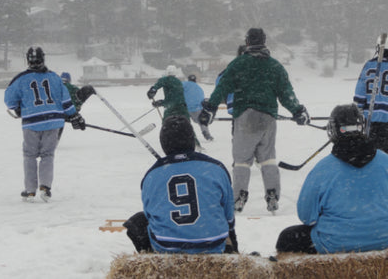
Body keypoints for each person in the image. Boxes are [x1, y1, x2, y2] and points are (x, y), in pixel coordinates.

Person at [199, 28, 310, 213]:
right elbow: (286, 94)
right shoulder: (275, 66)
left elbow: (223, 87)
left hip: (245, 115)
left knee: (242, 160)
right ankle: (272, 194)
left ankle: (239, 196)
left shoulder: (238, 64)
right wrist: (298, 111)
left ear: (247, 42)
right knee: (268, 158)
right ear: (264, 42)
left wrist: (210, 108)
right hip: (268, 117)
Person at [275, 104, 388, 254]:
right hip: (384, 239)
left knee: (286, 237)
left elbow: (306, 216)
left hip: (334, 243)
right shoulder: (387, 162)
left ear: (333, 130)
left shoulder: (323, 168)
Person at [124, 116, 238, 254]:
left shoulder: (152, 175)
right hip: (214, 244)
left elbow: (150, 214)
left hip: (166, 247)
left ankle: (148, 255)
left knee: (138, 221)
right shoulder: (216, 168)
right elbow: (228, 215)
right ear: (191, 139)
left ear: (164, 143)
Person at [4, 46, 86, 202]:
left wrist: (18, 108)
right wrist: (73, 115)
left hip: (31, 122)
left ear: (27, 60)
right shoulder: (54, 78)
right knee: (48, 155)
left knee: (29, 156)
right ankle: (45, 187)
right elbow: (66, 100)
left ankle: (29, 190)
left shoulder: (20, 79)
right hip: (53, 121)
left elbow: (9, 100)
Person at [353, 33, 388, 167]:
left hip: (369, 117)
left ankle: (368, 172)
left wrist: (359, 109)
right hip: (387, 117)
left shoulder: (369, 65)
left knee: (369, 148)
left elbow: (359, 91)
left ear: (377, 47)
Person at [58, 72, 95, 139]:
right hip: (70, 112)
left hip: (57, 113)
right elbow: (79, 98)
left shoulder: (55, 87)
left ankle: (54, 139)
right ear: (69, 80)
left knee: (57, 126)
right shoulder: (73, 88)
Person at [182, 74, 214, 141]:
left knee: (184, 122)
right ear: (195, 80)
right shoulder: (199, 88)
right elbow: (201, 98)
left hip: (186, 107)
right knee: (202, 122)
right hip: (197, 108)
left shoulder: (184, 84)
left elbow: (178, 88)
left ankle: (185, 135)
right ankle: (207, 134)